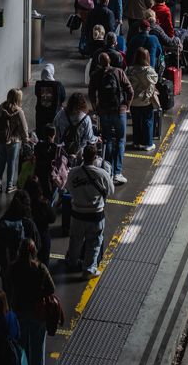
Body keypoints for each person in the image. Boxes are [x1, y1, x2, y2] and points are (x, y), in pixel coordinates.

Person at [6, 240, 56, 365]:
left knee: (21, 343)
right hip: (37, 311)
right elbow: (51, 288)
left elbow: (8, 286)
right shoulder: (40, 268)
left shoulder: (13, 267)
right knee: (38, 343)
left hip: (19, 310)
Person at [65, 144, 114, 276]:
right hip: (95, 214)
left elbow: (68, 188)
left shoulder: (73, 172)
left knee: (75, 240)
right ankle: (88, 269)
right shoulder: (102, 174)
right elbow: (110, 191)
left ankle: (72, 262)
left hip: (77, 213)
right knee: (94, 243)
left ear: (83, 156)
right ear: (95, 157)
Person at [88, 51, 132, 183]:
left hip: (104, 112)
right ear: (109, 61)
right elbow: (130, 90)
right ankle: (117, 173)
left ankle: (108, 171)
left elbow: (91, 93)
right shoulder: (118, 72)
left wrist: (96, 108)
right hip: (119, 111)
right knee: (120, 140)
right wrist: (127, 105)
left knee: (107, 140)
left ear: (99, 63)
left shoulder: (96, 75)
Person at [0, 191, 39, 289]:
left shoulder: (3, 221)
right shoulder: (28, 223)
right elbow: (37, 245)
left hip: (7, 269)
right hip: (26, 270)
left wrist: (4, 264)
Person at [0, 88, 29, 195]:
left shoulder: (2, 106)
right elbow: (24, 128)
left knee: (2, 159)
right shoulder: (18, 111)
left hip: (0, 138)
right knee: (11, 162)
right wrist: (26, 140)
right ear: (18, 98)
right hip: (13, 140)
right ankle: (9, 186)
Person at [125, 48, 161, 152]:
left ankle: (136, 142)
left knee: (136, 122)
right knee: (147, 122)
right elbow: (154, 82)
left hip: (133, 101)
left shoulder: (129, 70)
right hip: (145, 100)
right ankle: (148, 143)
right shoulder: (149, 71)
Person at [32, 64, 65, 140]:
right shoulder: (58, 85)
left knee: (41, 133)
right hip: (54, 114)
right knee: (53, 133)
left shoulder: (38, 84)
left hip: (41, 114)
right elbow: (63, 97)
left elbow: (37, 95)